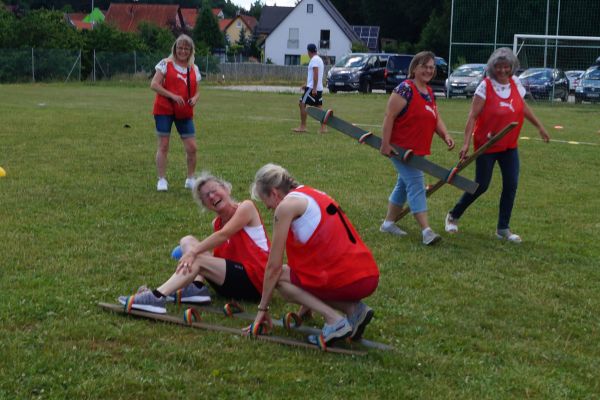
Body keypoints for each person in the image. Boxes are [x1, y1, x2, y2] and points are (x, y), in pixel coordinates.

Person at [249, 163, 379, 346]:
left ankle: (334, 320)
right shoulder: (313, 193)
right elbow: (318, 253)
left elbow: (274, 267)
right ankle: (354, 310)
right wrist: (306, 305)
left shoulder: (285, 207)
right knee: (291, 275)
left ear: (274, 193)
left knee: (279, 278)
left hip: (347, 278)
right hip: (366, 273)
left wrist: (262, 309)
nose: (269, 208)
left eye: (267, 203)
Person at [119, 172, 270, 314]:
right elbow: (220, 256)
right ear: (205, 205)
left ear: (226, 189)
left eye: (214, 190)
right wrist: (195, 255)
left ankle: (157, 297)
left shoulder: (246, 207)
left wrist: (193, 253)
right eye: (206, 196)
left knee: (197, 256)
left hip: (257, 283)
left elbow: (224, 235)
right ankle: (197, 288)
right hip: (233, 282)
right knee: (187, 240)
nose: (212, 196)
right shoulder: (217, 223)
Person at [444, 47, 550, 242]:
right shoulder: (485, 86)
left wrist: (539, 127)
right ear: (493, 67)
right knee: (481, 185)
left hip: (509, 145)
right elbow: (472, 116)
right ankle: (453, 215)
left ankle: (503, 228)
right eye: (499, 66)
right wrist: (466, 144)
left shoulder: (515, 83)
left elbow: (523, 107)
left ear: (512, 67)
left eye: (506, 66)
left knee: (511, 184)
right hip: (487, 145)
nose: (502, 70)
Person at [379, 51, 455, 245]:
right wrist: (385, 144)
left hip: (418, 150)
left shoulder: (428, 92)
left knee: (403, 186)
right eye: (425, 67)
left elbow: (435, 117)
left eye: (431, 67)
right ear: (414, 68)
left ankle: (388, 223)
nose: (428, 71)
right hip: (401, 149)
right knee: (416, 184)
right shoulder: (405, 89)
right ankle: (426, 231)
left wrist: (445, 135)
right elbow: (389, 116)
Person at [151, 34, 201, 192]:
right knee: (164, 145)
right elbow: (154, 84)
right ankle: (161, 179)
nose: (183, 51)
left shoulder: (194, 68)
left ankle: (190, 179)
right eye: (180, 47)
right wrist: (172, 96)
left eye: (186, 48)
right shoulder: (165, 64)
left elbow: (197, 91)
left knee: (192, 147)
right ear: (175, 48)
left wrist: (194, 98)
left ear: (191, 51)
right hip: (164, 109)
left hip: (184, 111)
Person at [292, 43, 327, 133]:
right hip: (318, 87)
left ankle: (303, 127)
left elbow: (316, 74)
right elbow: (315, 76)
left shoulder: (314, 60)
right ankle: (323, 128)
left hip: (313, 88)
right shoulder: (319, 59)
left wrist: (313, 88)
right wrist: (307, 85)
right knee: (318, 107)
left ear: (308, 51)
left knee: (302, 104)